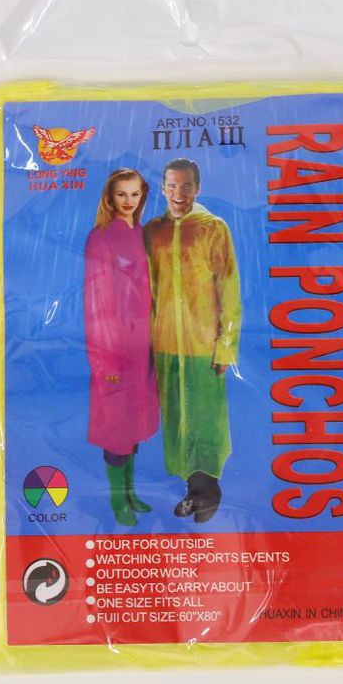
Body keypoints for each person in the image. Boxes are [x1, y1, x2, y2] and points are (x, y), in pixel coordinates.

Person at [142, 158, 240, 523]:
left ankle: (208, 492)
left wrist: (225, 345)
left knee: (205, 419)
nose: (178, 193)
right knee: (177, 420)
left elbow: (229, 287)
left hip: (203, 345)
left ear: (197, 189)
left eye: (186, 186)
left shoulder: (213, 228)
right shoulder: (153, 231)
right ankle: (190, 489)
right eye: (171, 185)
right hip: (165, 343)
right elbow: (146, 290)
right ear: (163, 188)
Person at [83, 168, 158, 526]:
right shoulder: (100, 238)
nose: (128, 201)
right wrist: (105, 361)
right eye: (121, 194)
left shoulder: (144, 235)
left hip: (144, 347)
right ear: (109, 198)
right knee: (116, 431)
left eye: (134, 194)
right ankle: (117, 501)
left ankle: (130, 492)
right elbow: (97, 301)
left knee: (134, 427)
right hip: (115, 349)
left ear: (143, 196)